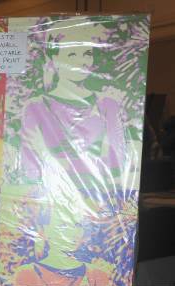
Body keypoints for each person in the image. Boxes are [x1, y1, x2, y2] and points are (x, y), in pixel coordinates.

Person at [18, 20, 127, 193]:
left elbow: (118, 161)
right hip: (53, 200)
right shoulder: (36, 108)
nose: (82, 62)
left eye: (87, 53)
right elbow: (31, 165)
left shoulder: (108, 105)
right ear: (53, 58)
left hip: (103, 198)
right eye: (71, 55)